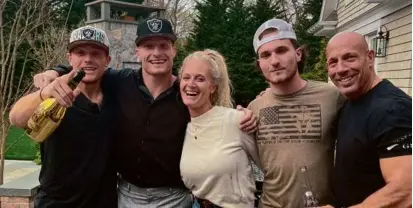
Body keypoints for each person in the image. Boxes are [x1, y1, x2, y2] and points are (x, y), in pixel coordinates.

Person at [33, 17, 257, 208]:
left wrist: (243, 115)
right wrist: (56, 71)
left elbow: (213, 117)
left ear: (173, 50)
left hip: (174, 199)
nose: (156, 53)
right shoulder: (118, 82)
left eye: (163, 45)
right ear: (137, 51)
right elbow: (89, 66)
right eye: (149, 46)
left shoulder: (187, 94)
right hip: (127, 196)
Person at [9, 26, 117, 207]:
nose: (88, 59)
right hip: (57, 203)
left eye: (96, 53)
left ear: (107, 60)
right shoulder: (53, 93)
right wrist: (44, 92)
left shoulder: (116, 91)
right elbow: (15, 117)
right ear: (70, 58)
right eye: (80, 53)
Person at [247, 18, 344, 208]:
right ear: (260, 65)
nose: (274, 61)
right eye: (266, 55)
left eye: (281, 50)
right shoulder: (254, 108)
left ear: (298, 54)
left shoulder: (332, 97)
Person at [322, 31, 412, 208]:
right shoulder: (350, 104)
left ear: (370, 57)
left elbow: (406, 191)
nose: (340, 69)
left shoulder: (392, 109)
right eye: (333, 62)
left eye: (349, 58)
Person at [179, 49, 262, 208]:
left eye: (200, 79)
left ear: (213, 87)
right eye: (186, 77)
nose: (191, 84)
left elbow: (270, 167)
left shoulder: (237, 120)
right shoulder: (184, 127)